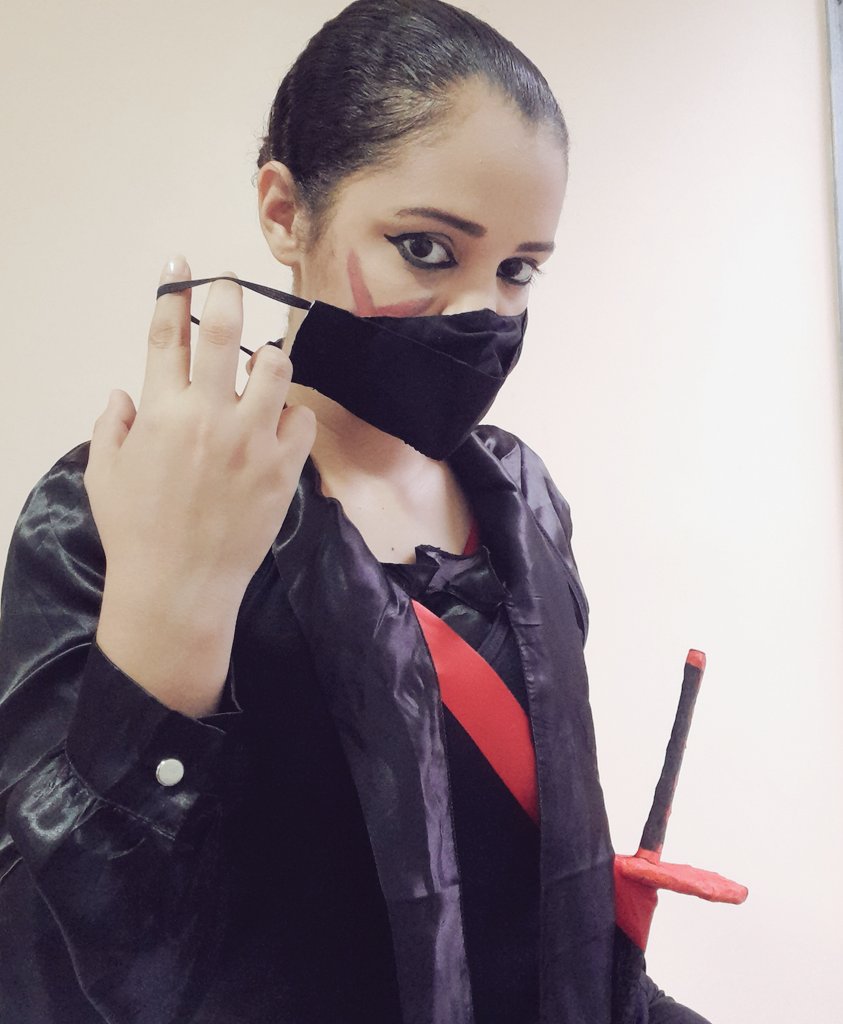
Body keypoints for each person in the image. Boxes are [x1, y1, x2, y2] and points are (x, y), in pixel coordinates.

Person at [0, 2, 712, 1021]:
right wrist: (174, 599)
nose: (482, 314)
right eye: (426, 248)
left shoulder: (524, 499)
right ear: (285, 213)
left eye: (518, 269)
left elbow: (538, 886)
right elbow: (72, 950)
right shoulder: (111, 510)